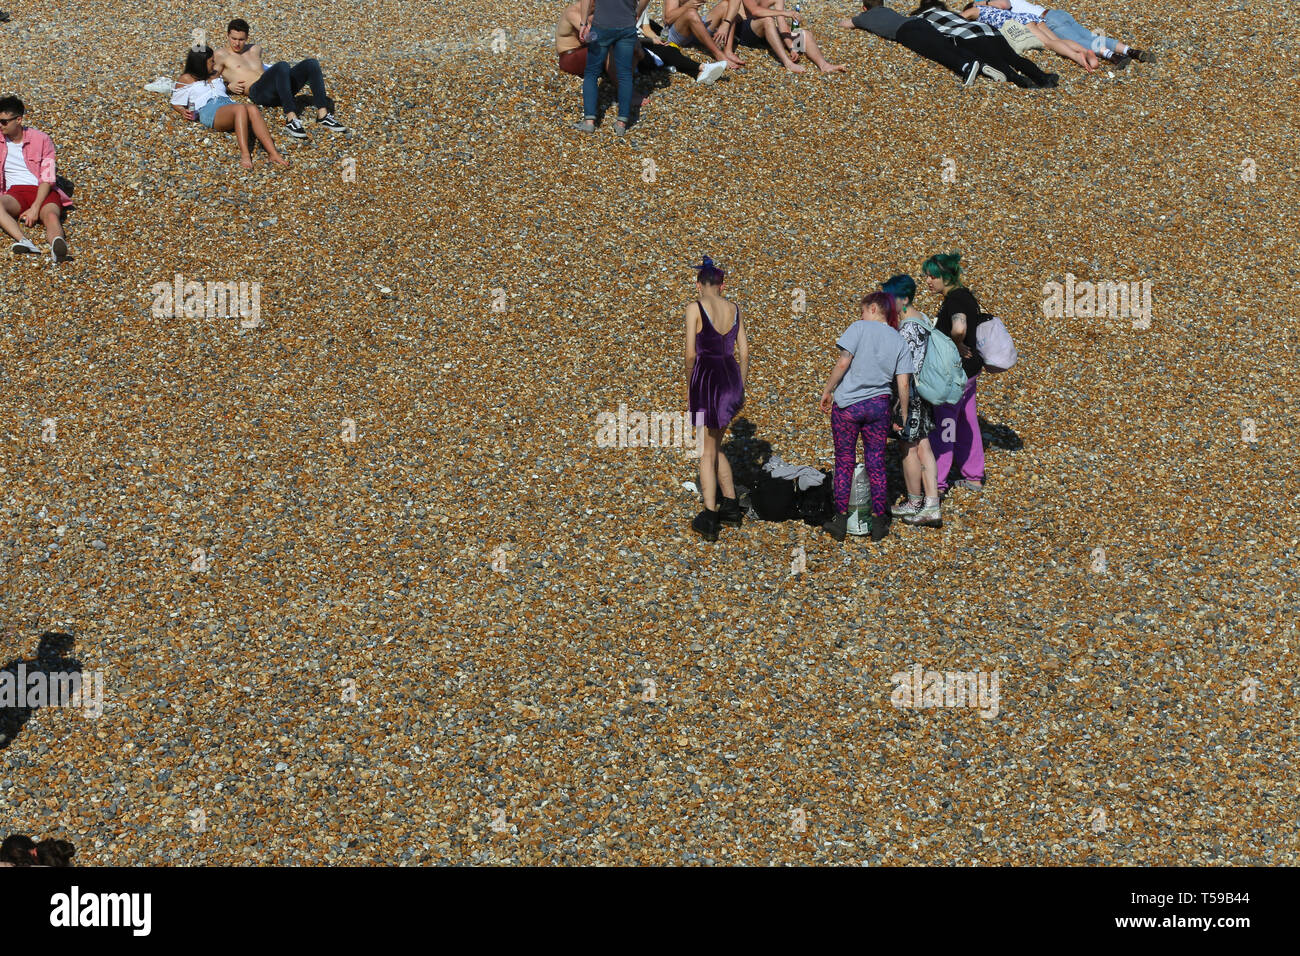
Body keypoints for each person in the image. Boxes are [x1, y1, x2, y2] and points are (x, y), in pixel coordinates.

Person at [820, 291, 913, 542]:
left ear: (873, 308)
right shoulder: (899, 340)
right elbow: (903, 383)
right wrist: (902, 415)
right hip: (878, 407)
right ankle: (879, 521)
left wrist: (828, 390)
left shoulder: (859, 328)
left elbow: (843, 363)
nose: (860, 315)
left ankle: (840, 520)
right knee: (876, 462)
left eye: (862, 310)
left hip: (848, 406)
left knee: (845, 460)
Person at [685, 256, 748, 541]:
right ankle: (731, 504)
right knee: (716, 442)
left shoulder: (694, 308)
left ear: (699, 285)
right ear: (722, 285)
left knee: (704, 449)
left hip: (707, 379)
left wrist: (690, 385)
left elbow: (690, 354)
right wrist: (740, 385)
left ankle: (710, 516)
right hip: (731, 377)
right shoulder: (734, 309)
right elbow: (744, 352)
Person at [215, 18, 347, 140]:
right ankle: (291, 118)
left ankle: (323, 115)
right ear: (227, 35)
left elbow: (264, 68)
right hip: (259, 93)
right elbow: (209, 80)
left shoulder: (255, 49)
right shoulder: (221, 55)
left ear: (247, 37)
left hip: (279, 89)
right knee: (282, 65)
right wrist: (228, 87)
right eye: (233, 39)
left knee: (311, 63)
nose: (237, 43)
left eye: (241, 39)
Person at [882, 275, 943, 527]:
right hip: (924, 392)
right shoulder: (923, 320)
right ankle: (928, 503)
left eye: (890, 298)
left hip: (910, 394)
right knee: (924, 446)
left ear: (904, 299)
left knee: (909, 447)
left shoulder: (908, 328)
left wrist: (899, 406)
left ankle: (919, 502)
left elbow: (903, 371)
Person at [922, 252, 985, 495]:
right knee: (966, 421)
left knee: (945, 425)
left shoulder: (955, 300)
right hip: (969, 373)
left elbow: (959, 327)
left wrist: (956, 344)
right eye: (926, 276)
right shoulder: (966, 296)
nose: (928, 281)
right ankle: (974, 475)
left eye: (933, 276)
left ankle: (937, 483)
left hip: (954, 375)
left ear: (946, 276)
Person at [171, 47, 289, 170]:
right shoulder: (187, 79)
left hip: (227, 103)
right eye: (211, 61)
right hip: (209, 109)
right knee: (240, 109)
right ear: (200, 63)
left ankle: (273, 153)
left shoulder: (215, 73)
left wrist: (229, 87)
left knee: (252, 108)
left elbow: (221, 86)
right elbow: (175, 101)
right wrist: (182, 110)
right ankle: (245, 154)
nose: (214, 64)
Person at [838, 0, 1004, 87]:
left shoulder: (864, 16)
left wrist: (852, 20)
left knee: (935, 51)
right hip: (917, 22)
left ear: (864, 8)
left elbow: (846, 24)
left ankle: (965, 66)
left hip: (905, 32)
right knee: (945, 44)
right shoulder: (888, 11)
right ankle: (981, 65)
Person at [911, 1, 1058, 87]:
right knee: (1013, 58)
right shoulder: (951, 12)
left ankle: (1020, 81)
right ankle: (1042, 77)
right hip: (987, 30)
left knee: (997, 61)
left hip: (967, 35)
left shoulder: (921, 18)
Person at [0, 96, 73, 263]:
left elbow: (47, 177)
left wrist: (35, 207)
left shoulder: (41, 139)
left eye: (4, 122)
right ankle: (24, 241)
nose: (0, 125)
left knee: (51, 217)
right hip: (15, 192)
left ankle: (57, 247)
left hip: (43, 190)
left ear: (18, 120)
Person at [979, 0, 1152, 65]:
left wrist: (984, 5)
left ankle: (1113, 56)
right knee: (1091, 36)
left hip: (1049, 21)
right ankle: (1131, 51)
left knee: (1081, 41)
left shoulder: (998, 5)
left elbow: (1003, 5)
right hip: (1055, 14)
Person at [960, 2, 1098, 71]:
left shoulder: (975, 8)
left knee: (1049, 43)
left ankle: (1077, 57)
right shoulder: (993, 5)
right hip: (1026, 17)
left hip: (1019, 22)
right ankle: (1086, 52)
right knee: (1057, 40)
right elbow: (1005, 4)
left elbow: (958, 19)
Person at [574, 0, 643, 134]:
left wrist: (583, 23)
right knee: (625, 74)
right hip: (627, 25)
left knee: (592, 72)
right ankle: (622, 123)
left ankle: (589, 122)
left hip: (602, 25)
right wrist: (637, 13)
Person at [736, 0, 846, 73]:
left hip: (764, 33)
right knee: (768, 19)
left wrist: (791, 47)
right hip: (744, 31)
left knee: (804, 34)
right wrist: (785, 13)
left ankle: (824, 65)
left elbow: (782, 23)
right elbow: (755, 11)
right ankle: (787, 62)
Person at [638, 2, 730, 83]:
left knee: (667, 49)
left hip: (641, 38)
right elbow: (668, 19)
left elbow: (646, 28)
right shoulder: (625, 7)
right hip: (634, 40)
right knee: (668, 51)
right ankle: (703, 67)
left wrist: (656, 38)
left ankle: (698, 74)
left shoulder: (639, 3)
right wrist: (650, 40)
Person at [662, 0, 747, 69]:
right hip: (675, 32)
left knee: (725, 5)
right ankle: (718, 54)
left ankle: (728, 51)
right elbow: (668, 19)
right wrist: (687, 6)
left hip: (696, 27)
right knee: (691, 13)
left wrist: (726, 24)